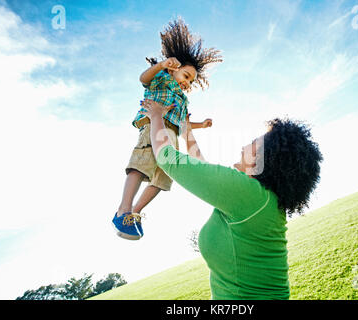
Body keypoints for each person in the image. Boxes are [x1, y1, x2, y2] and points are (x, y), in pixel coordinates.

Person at [140, 99, 323, 300]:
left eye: (253, 145)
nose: (244, 147)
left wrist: (156, 115)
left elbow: (167, 157)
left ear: (264, 160)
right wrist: (188, 134)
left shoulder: (249, 195)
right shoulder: (260, 198)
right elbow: (203, 168)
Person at [112, 18, 222, 240]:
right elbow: (143, 79)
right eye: (186, 76)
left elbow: (184, 125)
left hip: (171, 135)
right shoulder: (161, 78)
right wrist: (161, 65)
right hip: (152, 124)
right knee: (143, 162)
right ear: (174, 69)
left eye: (191, 82)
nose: (188, 83)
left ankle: (135, 212)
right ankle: (122, 210)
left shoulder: (183, 100)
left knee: (164, 177)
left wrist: (202, 125)